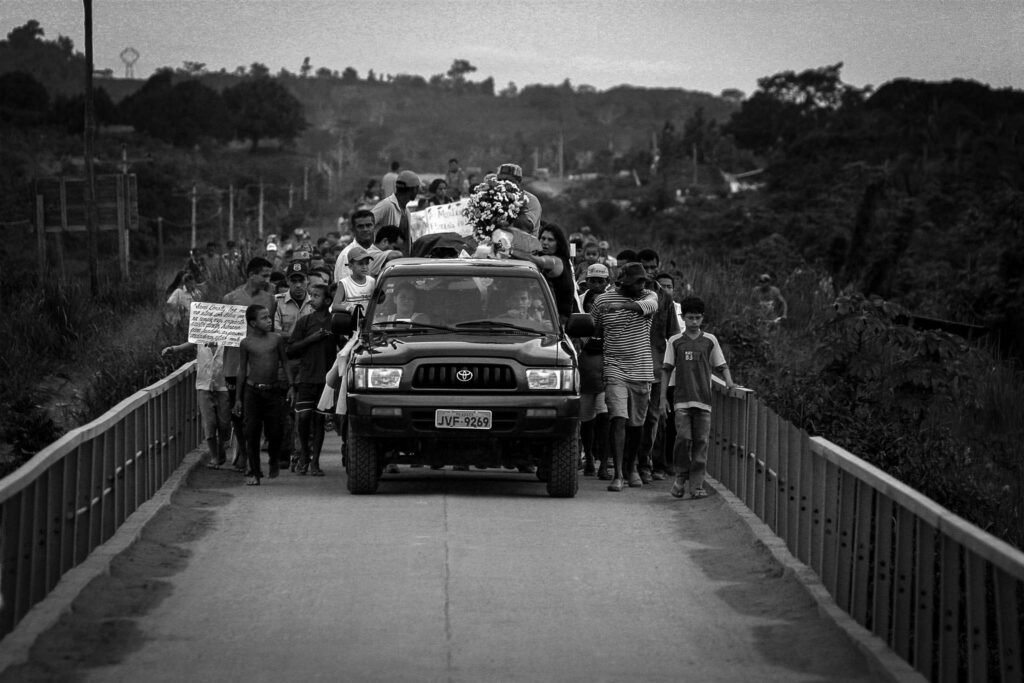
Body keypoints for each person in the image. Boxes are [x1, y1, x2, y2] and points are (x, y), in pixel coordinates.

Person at [590, 262, 659, 492]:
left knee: (636, 425)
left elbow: (646, 307)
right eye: (636, 282)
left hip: (641, 369)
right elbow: (594, 327)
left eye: (642, 281)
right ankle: (618, 473)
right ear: (623, 281)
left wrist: (624, 307)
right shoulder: (602, 301)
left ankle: (632, 467)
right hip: (614, 367)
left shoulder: (650, 296)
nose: (641, 286)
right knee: (618, 418)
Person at [661, 296, 735, 499]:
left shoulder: (710, 340)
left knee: (702, 442)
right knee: (683, 438)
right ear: (683, 318)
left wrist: (729, 383)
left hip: (703, 399)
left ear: (702, 318)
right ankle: (680, 477)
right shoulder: (675, 341)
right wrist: (662, 399)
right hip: (682, 399)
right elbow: (666, 370)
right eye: (690, 318)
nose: (694, 322)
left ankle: (697, 484)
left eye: (698, 318)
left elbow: (721, 365)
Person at [222, 257, 277, 472]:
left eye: (269, 276)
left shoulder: (270, 299)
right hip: (234, 364)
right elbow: (221, 330)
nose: (267, 280)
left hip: (260, 366)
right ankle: (243, 453)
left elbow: (270, 330)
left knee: (256, 415)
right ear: (251, 274)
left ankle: (251, 456)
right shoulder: (230, 298)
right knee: (238, 414)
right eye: (263, 275)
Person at [234, 304, 295, 486]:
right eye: (264, 318)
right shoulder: (246, 343)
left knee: (275, 431)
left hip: (273, 390)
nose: (269, 320)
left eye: (269, 317)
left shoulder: (276, 339)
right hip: (252, 392)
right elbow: (242, 370)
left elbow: (284, 362)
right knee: (251, 432)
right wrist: (238, 398)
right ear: (253, 323)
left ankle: (274, 459)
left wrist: (291, 386)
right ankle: (254, 471)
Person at [636, 248, 681, 483]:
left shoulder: (665, 298)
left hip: (654, 367)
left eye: (654, 267)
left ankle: (644, 463)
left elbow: (673, 336)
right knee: (631, 417)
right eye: (646, 267)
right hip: (631, 364)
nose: (651, 272)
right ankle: (629, 465)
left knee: (652, 418)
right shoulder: (628, 295)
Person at [286, 284, 337, 477]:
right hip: (306, 377)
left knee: (319, 420)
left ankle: (314, 461)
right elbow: (291, 349)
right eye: (311, 295)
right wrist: (312, 339)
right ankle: (304, 455)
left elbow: (343, 346)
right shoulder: (305, 322)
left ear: (327, 301)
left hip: (325, 379)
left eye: (316, 296)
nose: (312, 299)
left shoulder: (335, 322)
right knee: (303, 418)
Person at [160, 341, 232, 469]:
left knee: (224, 423)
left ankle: (222, 450)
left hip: (223, 385)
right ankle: (214, 456)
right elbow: (192, 342)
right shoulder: (202, 333)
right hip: (204, 385)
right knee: (209, 423)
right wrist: (174, 348)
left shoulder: (228, 335)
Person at [578, 263, 611, 478]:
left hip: (605, 374)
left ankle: (603, 462)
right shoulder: (578, 307)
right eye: (593, 280)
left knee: (605, 418)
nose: (597, 285)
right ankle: (588, 457)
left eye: (601, 281)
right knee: (586, 421)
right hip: (584, 375)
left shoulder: (613, 308)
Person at [510, 222, 576, 324]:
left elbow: (538, 260)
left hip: (557, 321)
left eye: (550, 240)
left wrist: (509, 250)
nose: (545, 242)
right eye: (543, 238)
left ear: (558, 244)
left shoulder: (555, 262)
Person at [372, 170, 420, 249]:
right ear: (413, 189)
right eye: (417, 188)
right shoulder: (387, 205)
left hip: (400, 259)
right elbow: (367, 224)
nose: (418, 191)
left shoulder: (406, 211)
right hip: (385, 258)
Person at [495, 163, 541, 233]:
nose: (503, 183)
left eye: (508, 180)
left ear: (518, 182)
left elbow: (526, 228)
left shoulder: (531, 200)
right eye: (500, 180)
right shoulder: (495, 198)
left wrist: (514, 203)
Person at [334, 209, 375, 283]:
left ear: (374, 227)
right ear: (353, 229)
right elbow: (346, 290)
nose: (365, 229)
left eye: (368, 225)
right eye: (360, 226)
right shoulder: (346, 256)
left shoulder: (379, 251)